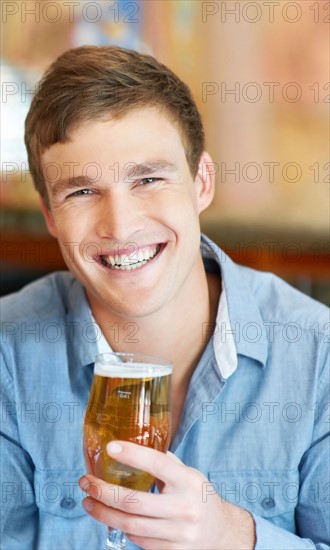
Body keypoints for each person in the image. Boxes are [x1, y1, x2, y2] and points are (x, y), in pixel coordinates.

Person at [1, 45, 329, 550]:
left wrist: (237, 538)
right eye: (81, 192)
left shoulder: (318, 356)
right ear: (49, 216)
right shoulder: (8, 356)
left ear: (202, 183)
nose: (121, 225)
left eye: (148, 179)